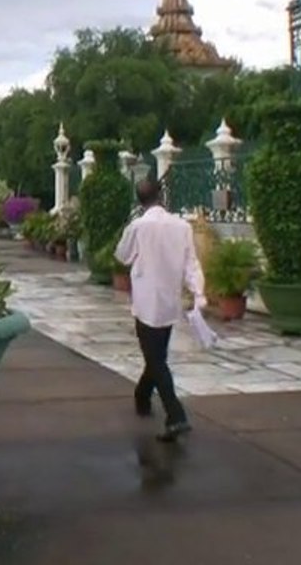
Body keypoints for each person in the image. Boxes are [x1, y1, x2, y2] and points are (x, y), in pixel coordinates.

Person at [115, 179, 205, 443]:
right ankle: (142, 396)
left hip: (146, 300)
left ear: (139, 200)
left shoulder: (138, 227)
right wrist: (199, 292)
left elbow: (122, 255)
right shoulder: (182, 226)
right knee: (157, 354)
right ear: (161, 195)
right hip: (169, 299)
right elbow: (192, 264)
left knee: (155, 358)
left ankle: (175, 415)